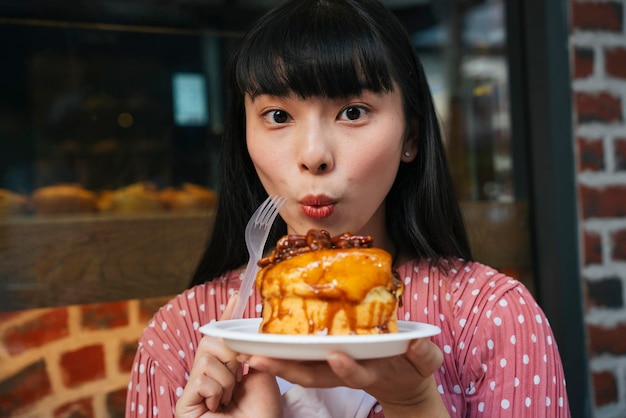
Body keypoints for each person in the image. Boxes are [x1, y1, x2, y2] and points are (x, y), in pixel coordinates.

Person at [126, 0, 571, 416]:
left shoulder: (491, 318)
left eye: (353, 112)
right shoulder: (180, 338)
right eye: (278, 116)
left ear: (411, 137)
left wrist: (415, 404)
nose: (314, 155)